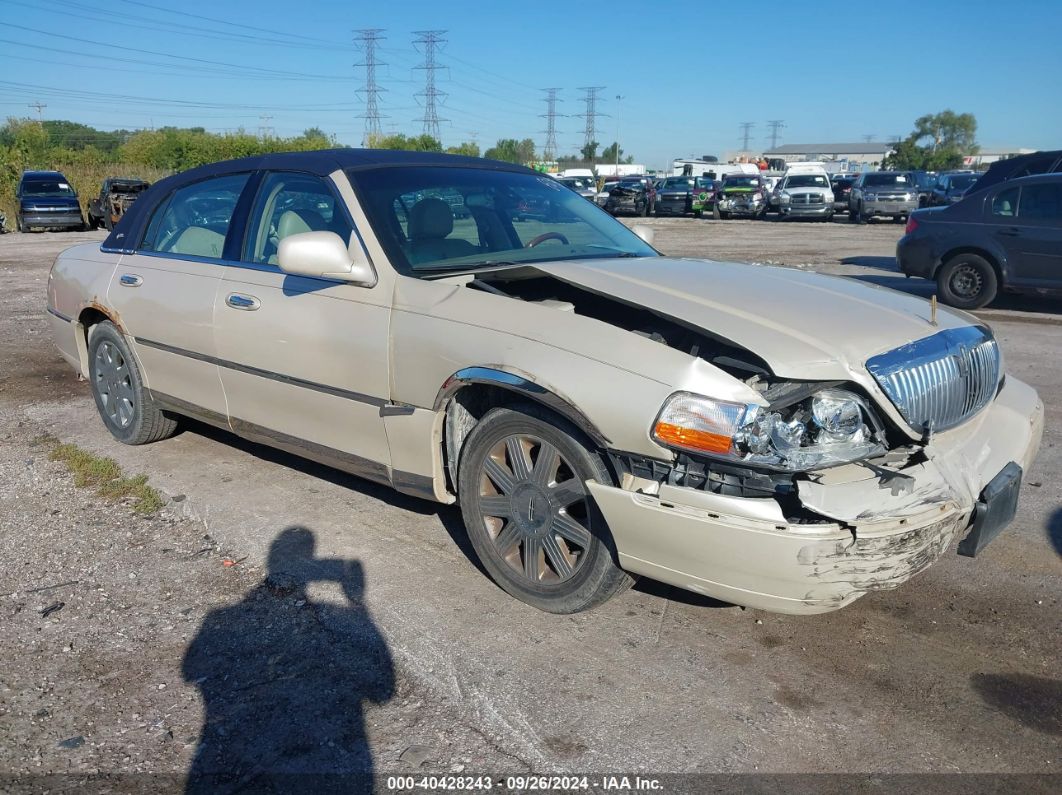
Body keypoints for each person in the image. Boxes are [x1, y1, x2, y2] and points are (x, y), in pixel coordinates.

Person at [183, 527, 395, 794]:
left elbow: (190, 671)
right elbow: (383, 692)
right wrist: (357, 605)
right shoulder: (340, 612)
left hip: (222, 758)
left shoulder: (217, 618)